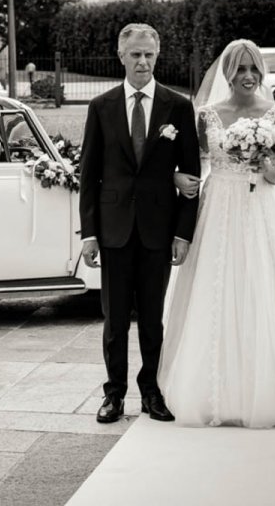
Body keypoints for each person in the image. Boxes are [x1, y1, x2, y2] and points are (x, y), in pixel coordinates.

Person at [158, 39, 275, 428]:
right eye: (240, 70)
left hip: (259, 212)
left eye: (253, 69)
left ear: (260, 73)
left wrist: (264, 163)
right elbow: (195, 162)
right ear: (228, 74)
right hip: (218, 211)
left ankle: (273, 383)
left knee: (264, 288)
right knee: (217, 290)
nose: (247, 77)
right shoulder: (208, 115)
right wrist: (176, 176)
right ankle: (217, 387)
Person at [79, 23, 202, 424]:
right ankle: (114, 395)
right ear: (121, 56)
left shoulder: (178, 107)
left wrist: (183, 232)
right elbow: (89, 176)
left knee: (152, 320)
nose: (143, 61)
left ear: (157, 55)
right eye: (135, 54)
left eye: (149, 54)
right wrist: (90, 234)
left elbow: (191, 178)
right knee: (115, 322)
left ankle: (152, 392)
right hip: (113, 231)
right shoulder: (101, 106)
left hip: (157, 231)